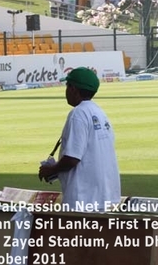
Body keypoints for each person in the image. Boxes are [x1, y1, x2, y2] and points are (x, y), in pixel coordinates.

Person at [38, 67, 120, 211]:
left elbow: (72, 159)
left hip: (83, 199)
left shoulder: (78, 114)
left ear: (74, 89)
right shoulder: (100, 112)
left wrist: (51, 170)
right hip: (105, 197)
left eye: (67, 86)